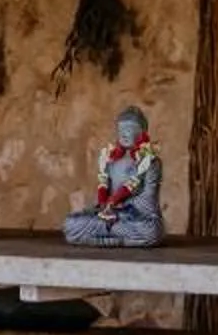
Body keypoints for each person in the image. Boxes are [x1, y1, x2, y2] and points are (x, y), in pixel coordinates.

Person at [62, 104, 163, 247]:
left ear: (141, 133)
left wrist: (120, 213)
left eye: (129, 130)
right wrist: (102, 209)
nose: (124, 134)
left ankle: (102, 239)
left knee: (149, 231)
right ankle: (117, 239)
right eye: (121, 130)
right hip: (110, 216)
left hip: (135, 218)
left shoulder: (150, 162)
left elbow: (147, 203)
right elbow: (103, 198)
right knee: (71, 224)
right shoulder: (111, 160)